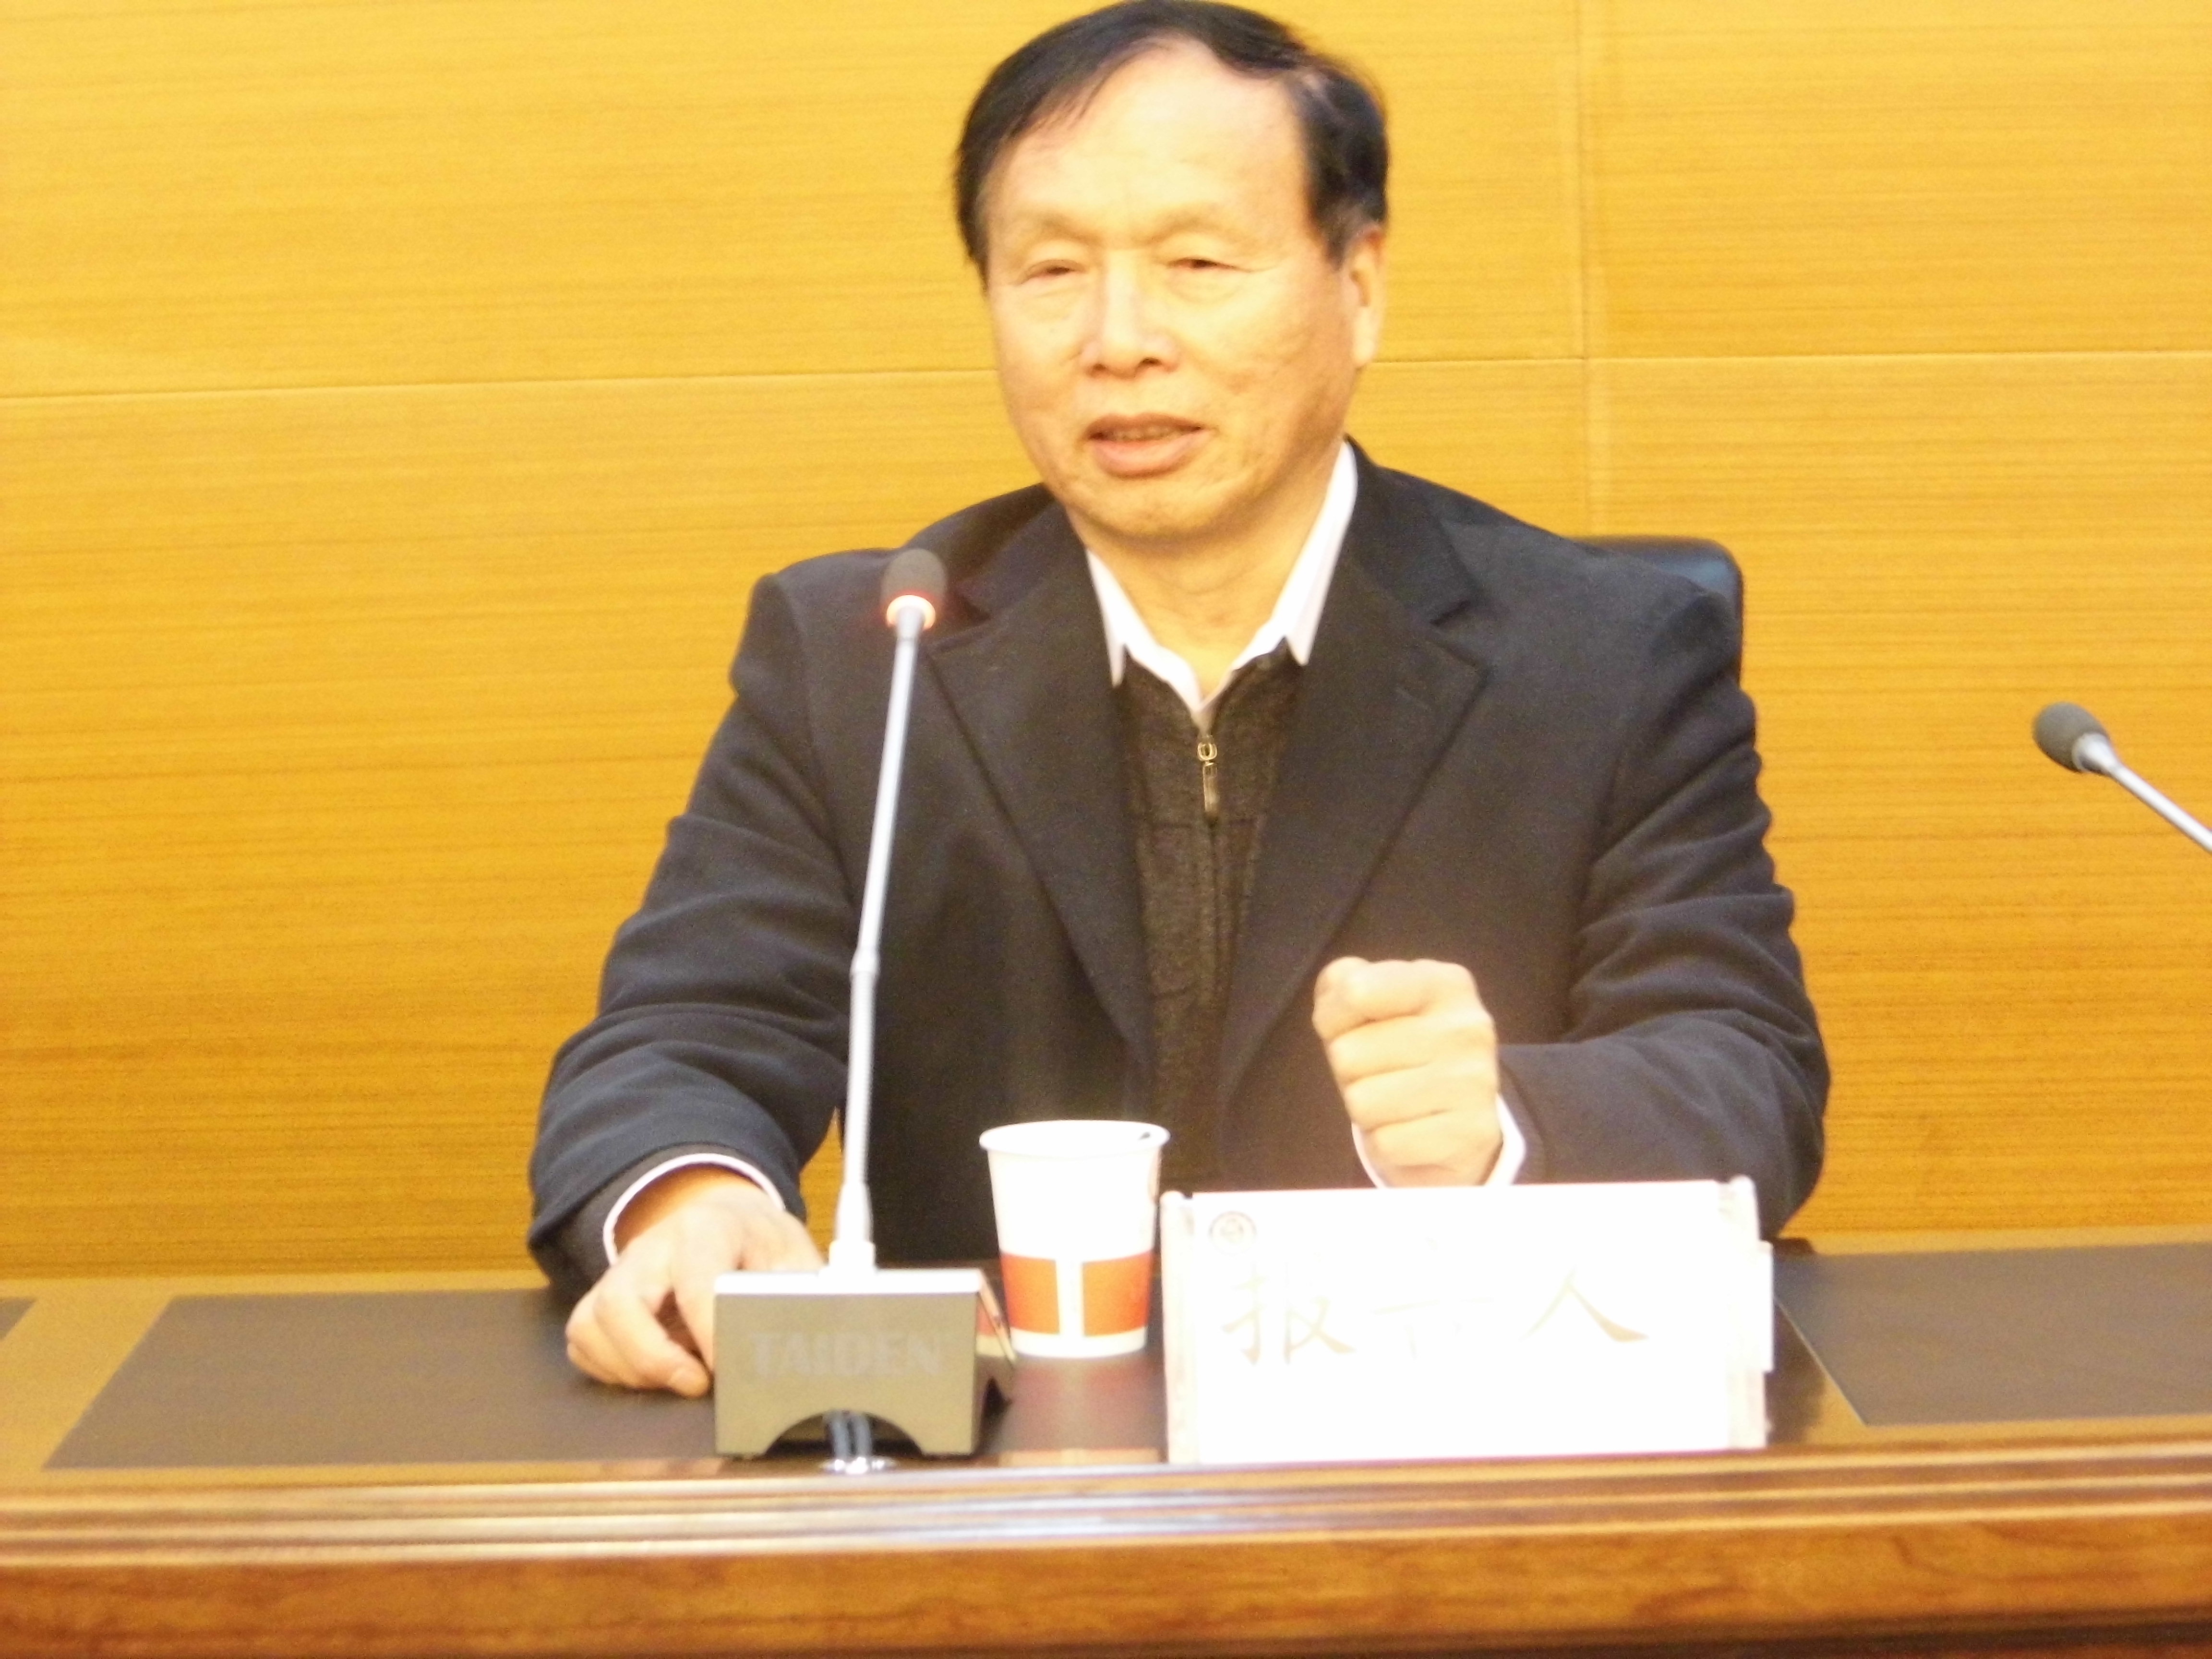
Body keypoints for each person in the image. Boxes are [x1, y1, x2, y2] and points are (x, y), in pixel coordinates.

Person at [530, 0, 1827, 1398]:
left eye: (1197, 262)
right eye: (1052, 271)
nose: (1120, 338)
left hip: (1434, 1439)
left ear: (1359, 286)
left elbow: (1740, 1068)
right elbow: (682, 1033)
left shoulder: (1605, 654)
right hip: (1002, 1462)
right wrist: (691, 1195)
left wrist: (1505, 1121)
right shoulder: (866, 656)